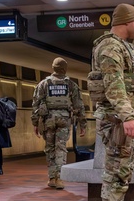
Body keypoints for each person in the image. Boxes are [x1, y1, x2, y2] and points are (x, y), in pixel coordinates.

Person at [89, 3, 134, 201]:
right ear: (126, 21)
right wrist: (128, 116)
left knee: (122, 172)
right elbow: (114, 84)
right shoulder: (110, 46)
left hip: (123, 117)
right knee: (117, 173)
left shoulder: (126, 47)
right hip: (117, 119)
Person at [31, 57, 87, 190]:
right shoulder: (71, 85)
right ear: (64, 69)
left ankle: (51, 178)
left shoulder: (44, 84)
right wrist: (82, 124)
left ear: (53, 68)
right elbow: (78, 105)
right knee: (60, 148)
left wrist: (35, 122)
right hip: (64, 119)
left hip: (48, 119)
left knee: (50, 148)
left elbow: (35, 104)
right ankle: (59, 178)